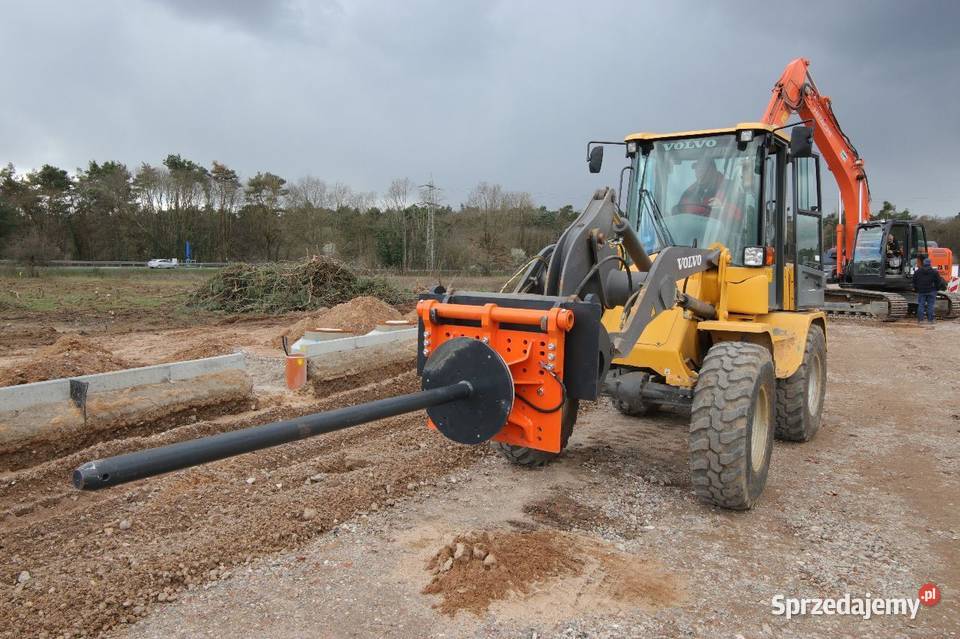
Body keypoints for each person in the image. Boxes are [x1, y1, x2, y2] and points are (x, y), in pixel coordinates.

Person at [912, 257, 945, 326]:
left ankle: (920, 320)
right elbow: (938, 282)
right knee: (930, 305)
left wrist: (916, 289)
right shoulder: (934, 272)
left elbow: (914, 281)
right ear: (930, 263)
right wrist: (936, 289)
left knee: (921, 305)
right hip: (932, 291)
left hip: (921, 291)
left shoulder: (918, 271)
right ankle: (930, 320)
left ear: (923, 263)